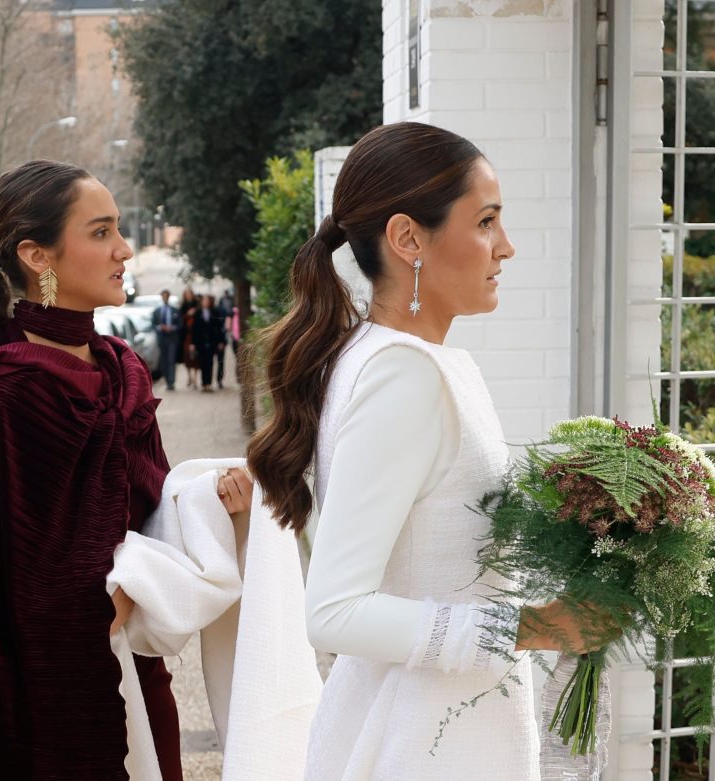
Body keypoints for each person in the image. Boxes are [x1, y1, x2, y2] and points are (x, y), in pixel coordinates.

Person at [247, 123, 611, 779]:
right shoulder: (402, 375)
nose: (507, 247)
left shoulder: (410, 362)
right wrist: (534, 626)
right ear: (408, 238)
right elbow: (335, 611)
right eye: (486, 222)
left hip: (452, 726)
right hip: (424, 743)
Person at [0, 161, 251, 780]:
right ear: (37, 256)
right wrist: (102, 604)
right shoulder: (1, 397)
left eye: (118, 229)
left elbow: (151, 514)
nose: (124, 249)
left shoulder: (122, 370)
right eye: (100, 233)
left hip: (131, 683)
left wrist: (212, 502)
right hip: (37, 711)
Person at [191, 293, 226, 392]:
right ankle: (204, 383)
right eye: (204, 301)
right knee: (202, 363)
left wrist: (221, 341)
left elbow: (219, 328)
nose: (205, 303)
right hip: (200, 342)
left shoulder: (214, 312)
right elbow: (194, 329)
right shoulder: (198, 313)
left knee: (210, 362)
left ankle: (209, 383)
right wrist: (193, 343)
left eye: (207, 301)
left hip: (212, 342)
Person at [151, 289, 181, 391]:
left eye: (166, 296)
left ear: (169, 297)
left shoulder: (175, 310)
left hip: (172, 339)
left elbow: (180, 325)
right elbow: (153, 324)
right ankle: (167, 380)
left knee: (171, 360)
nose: (165, 298)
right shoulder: (157, 311)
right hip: (162, 339)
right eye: (163, 296)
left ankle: (171, 382)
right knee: (163, 361)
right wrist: (161, 327)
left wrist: (171, 328)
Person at [179, 286, 200, 389]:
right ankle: (189, 376)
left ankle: (195, 379)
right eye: (186, 294)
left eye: (189, 294)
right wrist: (187, 315)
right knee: (187, 357)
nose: (188, 296)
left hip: (195, 335)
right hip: (186, 335)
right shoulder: (183, 306)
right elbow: (180, 321)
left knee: (195, 358)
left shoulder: (197, 305)